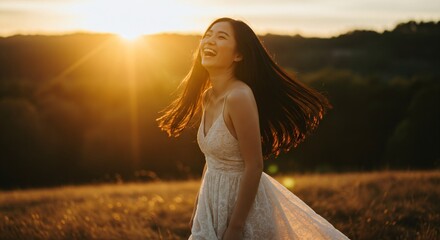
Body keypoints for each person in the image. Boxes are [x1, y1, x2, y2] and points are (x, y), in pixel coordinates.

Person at [157, 17, 350, 240]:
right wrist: (199, 208)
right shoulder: (208, 96)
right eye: (207, 35)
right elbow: (212, 160)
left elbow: (254, 165)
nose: (209, 40)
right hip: (212, 205)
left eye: (221, 37)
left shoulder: (239, 96)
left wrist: (236, 227)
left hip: (243, 207)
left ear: (238, 55)